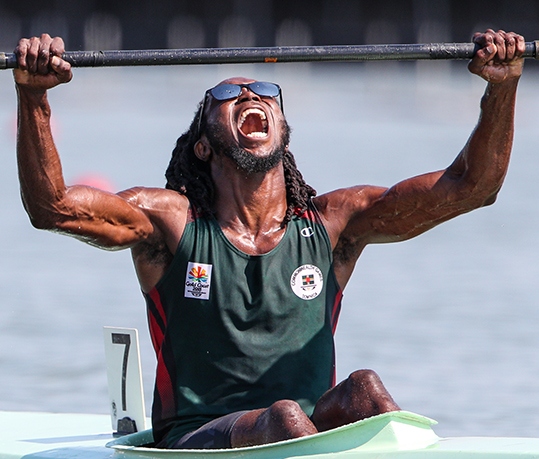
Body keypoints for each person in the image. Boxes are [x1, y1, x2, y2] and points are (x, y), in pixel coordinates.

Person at [13, 29, 524, 449]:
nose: (251, 95)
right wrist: (34, 96)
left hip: (296, 432)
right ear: (204, 145)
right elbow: (52, 208)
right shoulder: (170, 223)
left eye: (265, 92)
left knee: (365, 391)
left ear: (283, 128)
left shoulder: (332, 224)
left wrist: (501, 88)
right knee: (282, 417)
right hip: (195, 438)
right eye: (227, 95)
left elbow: (470, 189)